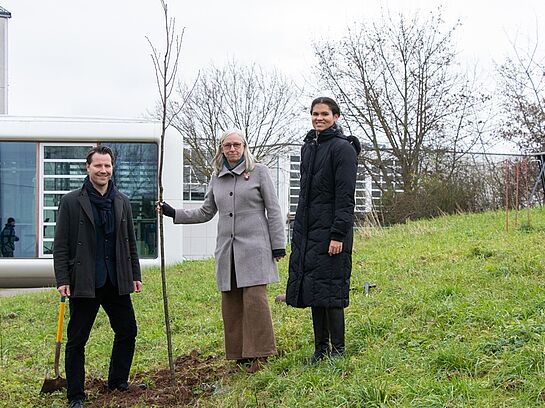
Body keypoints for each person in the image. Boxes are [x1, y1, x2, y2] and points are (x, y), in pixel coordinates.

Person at [159, 129, 286, 373]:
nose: (232, 149)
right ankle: (239, 355)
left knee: (255, 301)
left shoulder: (259, 171)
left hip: (256, 248)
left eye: (236, 144)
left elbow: (273, 208)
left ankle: (262, 353)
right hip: (228, 250)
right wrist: (174, 212)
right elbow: (206, 212)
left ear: (244, 147)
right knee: (231, 302)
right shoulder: (216, 177)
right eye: (227, 145)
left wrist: (278, 243)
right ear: (221, 149)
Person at [54, 146, 142, 408]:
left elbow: (130, 242)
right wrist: (62, 279)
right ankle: (76, 395)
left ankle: (117, 382)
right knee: (78, 339)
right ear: (88, 168)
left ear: (112, 168)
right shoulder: (71, 201)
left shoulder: (122, 201)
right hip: (84, 280)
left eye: (107, 166)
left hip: (116, 279)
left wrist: (134, 274)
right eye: (98, 166)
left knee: (127, 330)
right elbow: (61, 245)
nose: (103, 170)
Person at [286, 97, 360, 363]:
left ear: (336, 116)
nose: (319, 118)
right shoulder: (309, 148)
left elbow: (345, 196)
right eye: (315, 114)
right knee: (315, 291)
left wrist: (338, 234)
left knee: (332, 293)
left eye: (325, 114)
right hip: (309, 232)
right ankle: (320, 350)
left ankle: (338, 351)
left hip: (332, 233)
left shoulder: (343, 149)